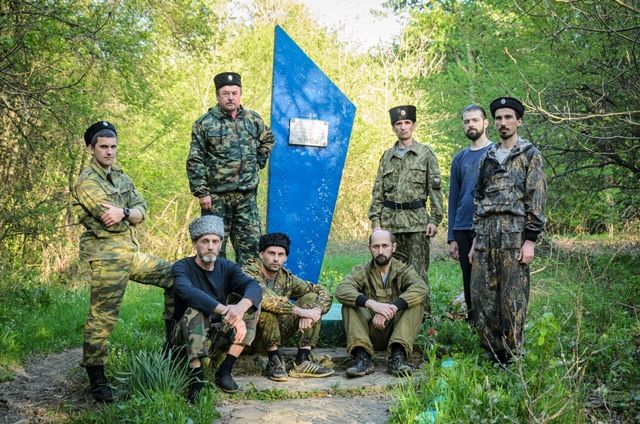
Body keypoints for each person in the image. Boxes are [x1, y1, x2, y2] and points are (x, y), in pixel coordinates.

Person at [72, 121, 175, 403]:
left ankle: (172, 346)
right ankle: (97, 380)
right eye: (103, 147)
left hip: (129, 253)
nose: (110, 152)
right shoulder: (87, 182)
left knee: (176, 277)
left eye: (113, 147)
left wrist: (126, 212)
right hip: (106, 256)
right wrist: (127, 214)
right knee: (102, 319)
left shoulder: (120, 176)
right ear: (91, 149)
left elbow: (142, 210)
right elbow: (111, 221)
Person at [469, 97, 546, 364]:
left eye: (508, 117)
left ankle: (513, 358)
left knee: (512, 299)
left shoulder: (530, 155)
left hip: (514, 235)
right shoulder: (487, 157)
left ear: (518, 121)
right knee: (482, 297)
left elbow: (536, 199)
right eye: (499, 118)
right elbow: (479, 198)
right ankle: (492, 354)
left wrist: (530, 240)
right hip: (485, 235)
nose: (503, 122)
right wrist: (475, 240)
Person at [187, 71, 274, 265]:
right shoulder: (204, 124)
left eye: (234, 93)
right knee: (214, 250)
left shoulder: (252, 119)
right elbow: (195, 159)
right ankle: (217, 286)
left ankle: (247, 285)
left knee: (251, 250)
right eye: (225, 93)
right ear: (218, 96)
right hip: (216, 198)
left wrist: (258, 162)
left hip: (246, 197)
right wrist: (202, 192)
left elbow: (268, 138)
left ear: (240, 94)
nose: (230, 97)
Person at [172, 215, 262, 398]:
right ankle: (196, 379)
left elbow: (254, 286)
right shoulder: (182, 267)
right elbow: (187, 291)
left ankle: (225, 370)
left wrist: (240, 308)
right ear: (195, 244)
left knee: (251, 305)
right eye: (205, 241)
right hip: (184, 335)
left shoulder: (228, 267)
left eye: (215, 241)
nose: (210, 246)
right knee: (196, 309)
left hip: (216, 332)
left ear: (221, 244)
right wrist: (228, 310)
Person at [368, 105, 443, 315]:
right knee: (389, 271)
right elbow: (377, 191)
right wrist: (375, 222)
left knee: (418, 273)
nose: (403, 127)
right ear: (393, 127)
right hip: (390, 224)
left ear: (414, 126)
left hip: (417, 223)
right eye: (398, 124)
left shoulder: (425, 154)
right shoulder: (387, 156)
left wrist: (435, 219)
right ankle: (392, 314)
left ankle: (422, 317)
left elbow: (435, 189)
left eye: (407, 123)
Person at [242, 232, 335, 382]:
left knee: (311, 298)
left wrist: (315, 311)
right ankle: (274, 359)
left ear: (286, 257)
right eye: (271, 253)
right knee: (267, 309)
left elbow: (322, 291)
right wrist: (303, 312)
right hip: (248, 334)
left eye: (281, 254)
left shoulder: (286, 278)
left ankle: (302, 360)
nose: (276, 259)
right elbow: (266, 299)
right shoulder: (248, 272)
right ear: (261, 254)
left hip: (276, 333)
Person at [335, 230, 428, 377]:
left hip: (396, 329)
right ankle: (362, 357)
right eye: (376, 246)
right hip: (370, 331)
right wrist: (373, 305)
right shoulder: (362, 271)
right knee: (349, 304)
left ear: (393, 247)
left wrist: (392, 308)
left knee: (416, 304)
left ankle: (398, 357)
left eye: (385, 246)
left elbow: (421, 288)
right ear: (370, 248)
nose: (380, 251)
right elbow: (342, 290)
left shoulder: (403, 270)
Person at [448, 105, 493, 322]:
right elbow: (453, 197)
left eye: (475, 120)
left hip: (487, 226)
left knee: (487, 277)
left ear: (485, 123)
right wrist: (452, 237)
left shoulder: (495, 153)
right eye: (467, 121)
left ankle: (489, 323)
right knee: (468, 278)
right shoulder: (459, 159)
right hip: (462, 226)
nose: (471, 125)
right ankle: (472, 323)